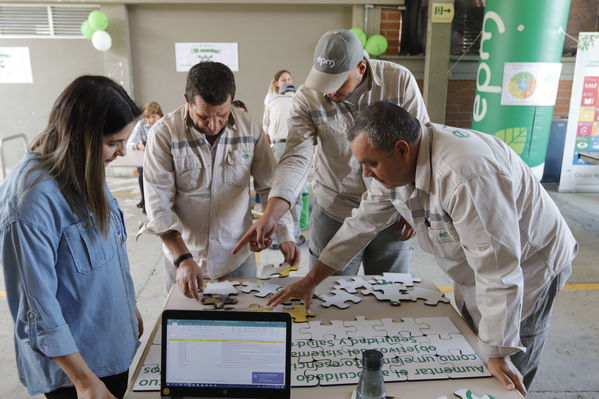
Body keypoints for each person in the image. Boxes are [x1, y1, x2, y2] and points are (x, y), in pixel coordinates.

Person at [268, 101, 577, 396]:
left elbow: (499, 271)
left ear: (402, 149)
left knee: (501, 372)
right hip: (478, 266)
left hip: (530, 267)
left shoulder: (465, 174)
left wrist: (498, 350)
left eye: (370, 163)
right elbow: (359, 225)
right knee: (473, 350)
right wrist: (311, 280)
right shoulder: (393, 165)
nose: (366, 173)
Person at [235, 29, 429, 276]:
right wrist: (272, 214)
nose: (329, 92)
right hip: (335, 209)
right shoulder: (307, 96)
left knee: (388, 296)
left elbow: (419, 146)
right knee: (325, 295)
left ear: (360, 67)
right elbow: (296, 157)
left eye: (337, 83)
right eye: (323, 83)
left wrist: (414, 206)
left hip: (392, 210)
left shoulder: (399, 81)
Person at [0, 75, 143, 398]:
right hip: (77, 373)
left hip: (110, 349)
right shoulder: (31, 201)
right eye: (113, 143)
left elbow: (105, 249)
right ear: (80, 138)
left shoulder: (83, 167)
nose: (121, 152)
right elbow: (37, 308)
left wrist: (126, 305)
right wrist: (84, 381)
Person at [141, 61, 298, 299]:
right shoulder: (164, 134)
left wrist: (285, 234)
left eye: (222, 116)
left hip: (236, 257)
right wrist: (183, 259)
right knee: (182, 331)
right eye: (204, 117)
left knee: (242, 328)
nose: (213, 125)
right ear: (187, 100)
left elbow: (270, 186)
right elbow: (158, 207)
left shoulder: (250, 129)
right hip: (182, 255)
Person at [262, 82, 305, 247]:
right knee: (296, 194)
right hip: (298, 147)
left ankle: (274, 238)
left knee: (276, 192)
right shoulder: (300, 99)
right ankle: (294, 236)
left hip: (277, 147)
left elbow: (266, 130)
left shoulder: (272, 102)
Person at [127, 101, 164, 214]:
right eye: (148, 117)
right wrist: (137, 145)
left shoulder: (165, 124)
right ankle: (144, 200)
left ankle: (157, 202)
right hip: (145, 158)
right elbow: (129, 143)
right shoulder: (141, 125)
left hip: (161, 157)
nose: (150, 120)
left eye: (154, 117)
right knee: (142, 174)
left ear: (160, 115)